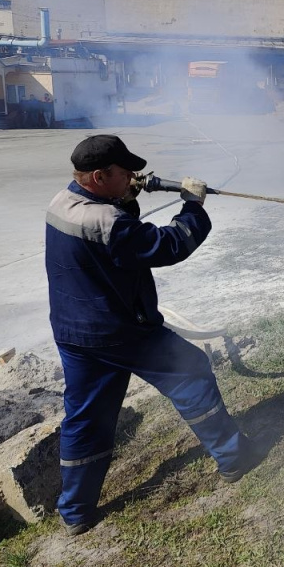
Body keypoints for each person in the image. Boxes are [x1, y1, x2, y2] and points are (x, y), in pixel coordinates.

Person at [45, 134, 260, 537]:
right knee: (191, 371)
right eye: (124, 172)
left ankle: (75, 510)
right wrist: (192, 207)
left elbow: (114, 242)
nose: (133, 176)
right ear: (98, 175)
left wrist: (127, 196)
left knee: (86, 418)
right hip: (119, 330)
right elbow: (167, 245)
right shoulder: (106, 222)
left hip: (74, 332)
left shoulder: (64, 202)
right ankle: (234, 458)